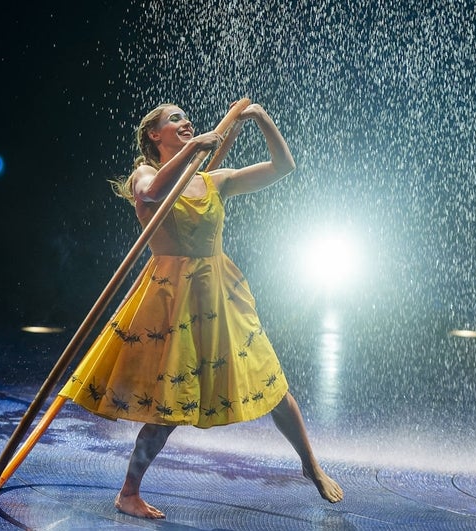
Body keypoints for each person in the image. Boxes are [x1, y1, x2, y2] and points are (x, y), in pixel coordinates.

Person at [59, 101, 343, 518]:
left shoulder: (214, 180)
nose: (185, 121)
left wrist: (262, 120)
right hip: (173, 301)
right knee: (169, 405)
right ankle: (128, 493)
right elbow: (151, 194)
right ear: (155, 136)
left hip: (221, 296)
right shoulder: (147, 173)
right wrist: (194, 151)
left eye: (185, 117)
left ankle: (310, 465)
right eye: (173, 119)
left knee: (272, 385)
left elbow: (283, 167)